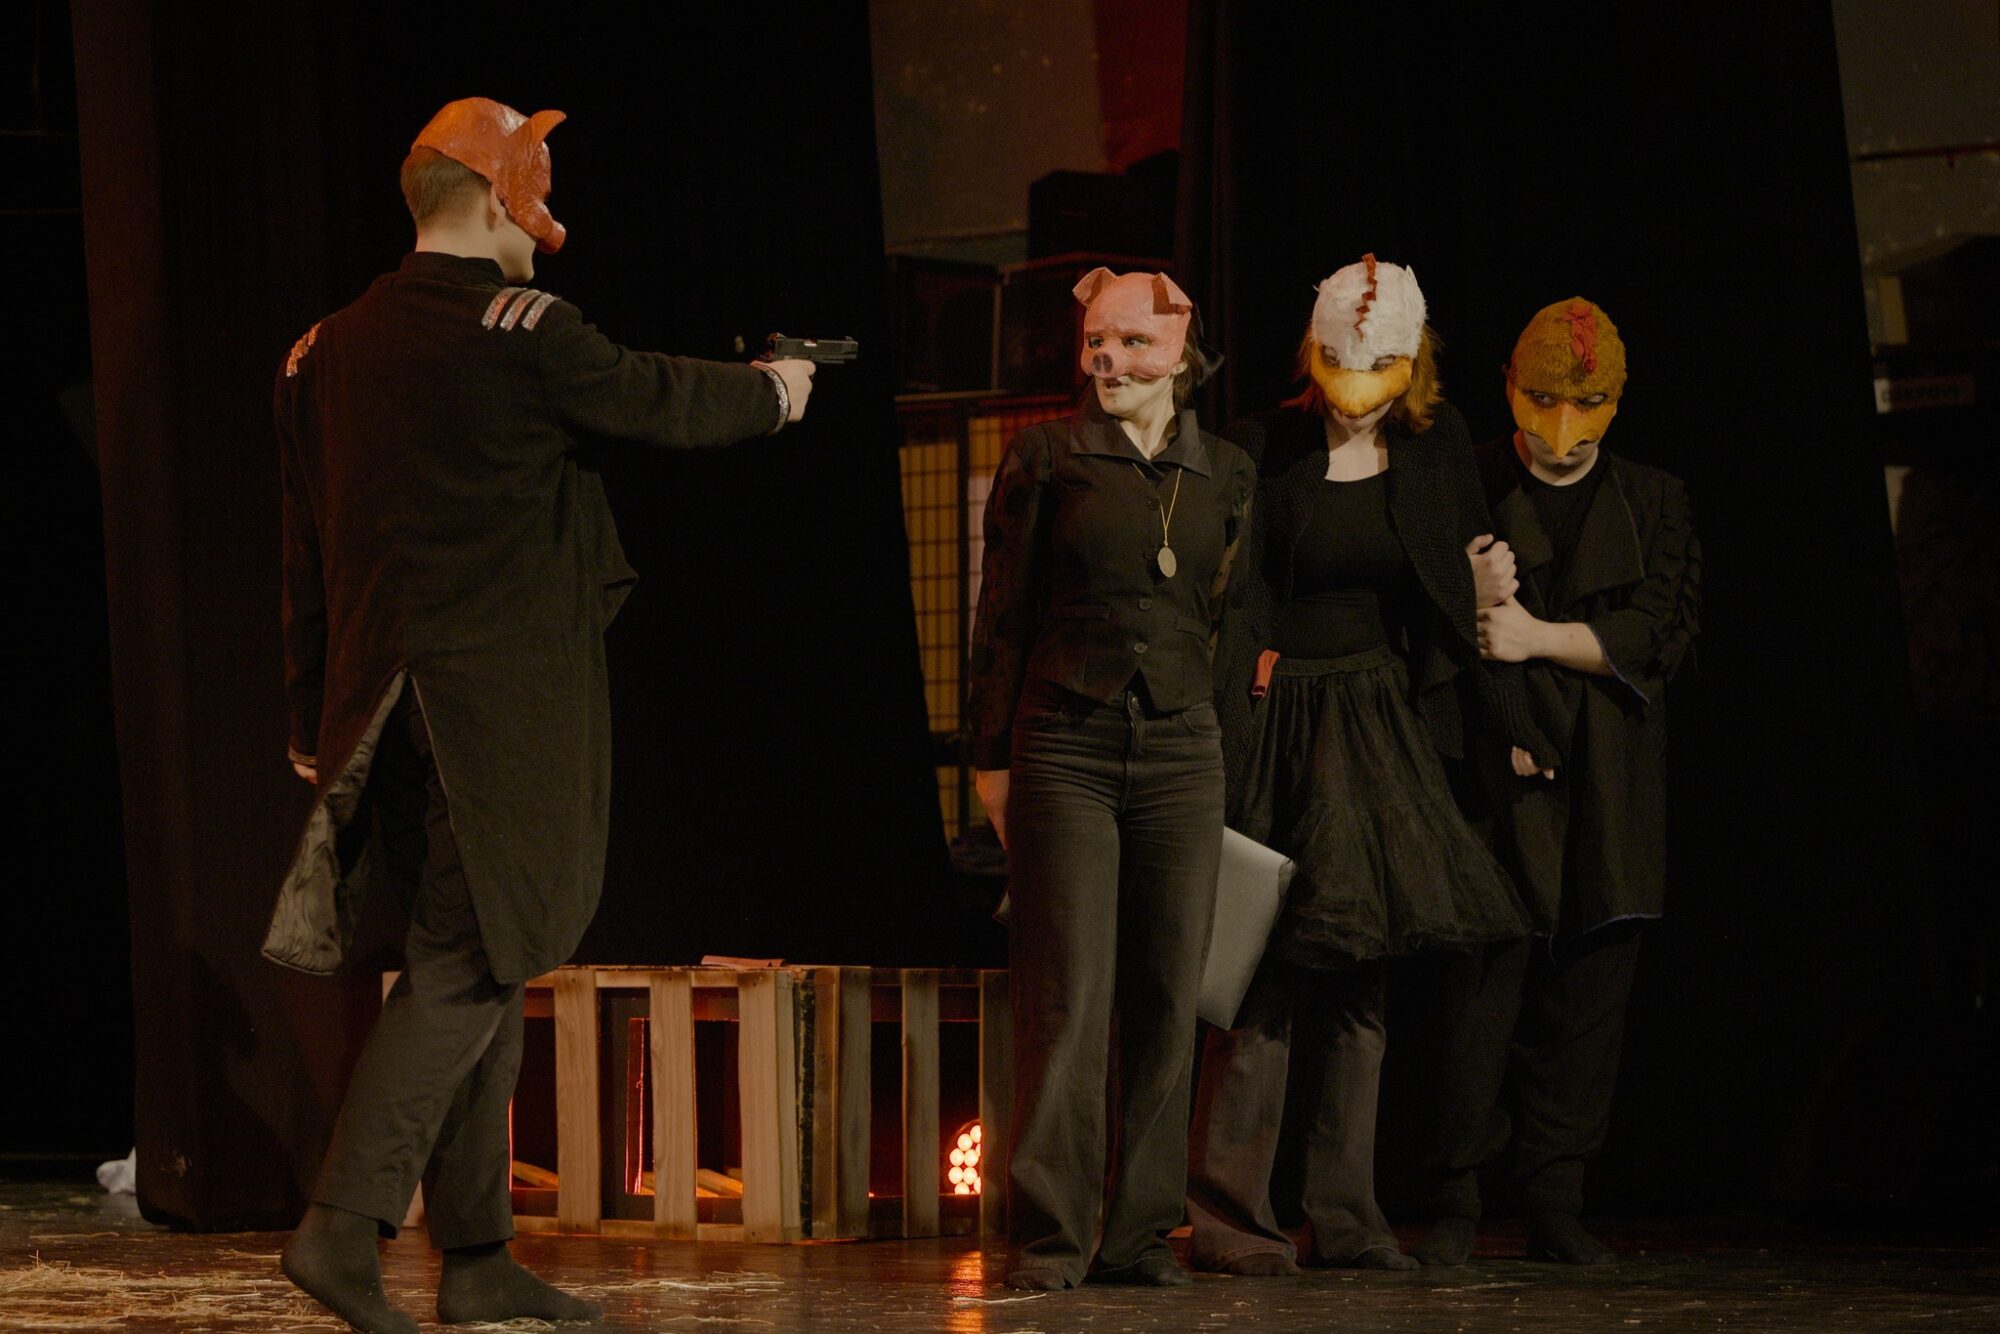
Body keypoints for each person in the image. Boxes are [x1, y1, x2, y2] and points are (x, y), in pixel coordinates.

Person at [265, 97, 815, 1333]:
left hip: (376, 705)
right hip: (493, 709)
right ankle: (342, 1226)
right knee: (467, 963)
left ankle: (476, 1255)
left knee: (485, 950)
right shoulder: (522, 329)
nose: (548, 212)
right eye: (540, 185)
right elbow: (661, 398)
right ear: (496, 195)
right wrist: (778, 392)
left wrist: (310, 718)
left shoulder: (318, 351)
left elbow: (304, 555)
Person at [1186, 256, 1544, 1275]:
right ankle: (1230, 1217)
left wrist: (1509, 721)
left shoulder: (1434, 448)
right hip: (1275, 715)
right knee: (1255, 976)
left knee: (1358, 981)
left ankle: (1345, 1215)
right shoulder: (1261, 445)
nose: (1357, 392)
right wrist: (1228, 725)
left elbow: (1452, 597)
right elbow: (1232, 602)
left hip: (1376, 718)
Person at [966, 268, 1255, 1290]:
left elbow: (1230, 624)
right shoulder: (1048, 454)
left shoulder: (1225, 470)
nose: (1108, 359)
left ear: (1179, 351)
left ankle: (1136, 1236)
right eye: (1096, 340)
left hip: (1181, 749)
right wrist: (989, 759)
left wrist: (1226, 746)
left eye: (1132, 342)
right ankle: (1049, 1235)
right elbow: (1000, 610)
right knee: (1067, 994)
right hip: (1066, 742)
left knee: (1169, 993)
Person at [1415, 298, 1700, 1267]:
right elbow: (1430, 628)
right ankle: (1453, 1196)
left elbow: (1658, 631)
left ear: (1616, 400)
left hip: (1608, 783)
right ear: (1508, 387)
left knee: (1587, 999)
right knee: (1477, 996)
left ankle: (1555, 1196)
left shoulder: (1653, 499)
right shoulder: (1465, 483)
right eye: (1541, 402)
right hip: (1490, 782)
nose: (1563, 428)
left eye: (1586, 405)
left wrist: (1535, 636)